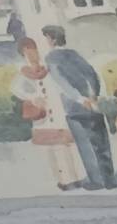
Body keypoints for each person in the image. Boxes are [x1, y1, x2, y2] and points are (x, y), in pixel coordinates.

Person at [42, 25, 116, 190]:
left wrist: (80, 99)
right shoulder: (75, 54)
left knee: (86, 145)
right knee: (101, 141)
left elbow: (62, 82)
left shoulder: (52, 58)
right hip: (93, 103)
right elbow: (92, 74)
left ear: (52, 39)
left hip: (75, 106)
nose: (46, 41)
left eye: (47, 37)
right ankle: (109, 179)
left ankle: (97, 181)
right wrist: (93, 96)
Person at [11, 37, 84, 191]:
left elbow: (60, 86)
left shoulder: (47, 69)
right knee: (52, 148)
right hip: (42, 114)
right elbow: (15, 88)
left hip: (56, 111)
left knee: (65, 145)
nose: (31, 55)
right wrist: (33, 98)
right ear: (23, 55)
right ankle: (64, 180)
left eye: (33, 50)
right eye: (27, 52)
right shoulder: (24, 72)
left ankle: (75, 178)